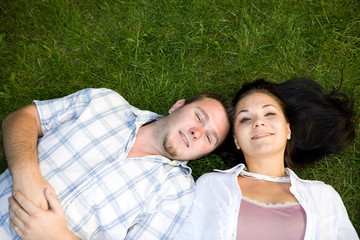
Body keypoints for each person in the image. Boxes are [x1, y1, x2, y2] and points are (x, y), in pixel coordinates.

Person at [0, 87, 231, 239]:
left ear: (205, 154)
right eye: (199, 117)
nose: (196, 132)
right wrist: (26, 176)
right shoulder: (104, 102)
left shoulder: (178, 195)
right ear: (178, 106)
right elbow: (22, 119)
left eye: (209, 138)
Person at [174, 78, 359, 239]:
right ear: (236, 140)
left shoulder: (324, 197)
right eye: (245, 119)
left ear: (288, 129)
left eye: (269, 113)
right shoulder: (211, 186)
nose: (259, 122)